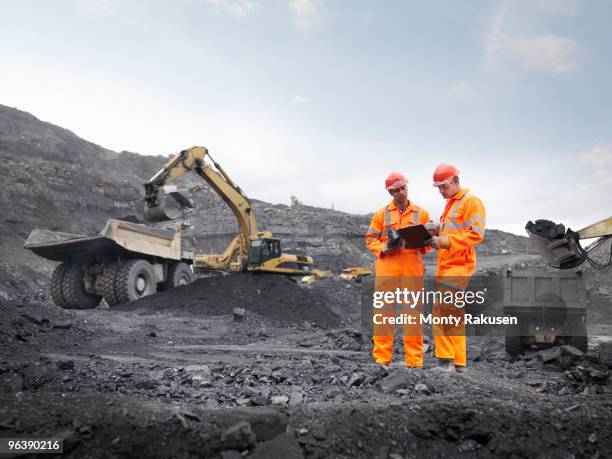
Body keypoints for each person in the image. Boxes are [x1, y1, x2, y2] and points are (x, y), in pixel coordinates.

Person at [365, 172, 430, 367]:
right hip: (387, 270)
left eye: (403, 188)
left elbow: (427, 246)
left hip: (412, 270)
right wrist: (385, 247)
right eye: (396, 190)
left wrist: (422, 240)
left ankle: (414, 362)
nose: (401, 192)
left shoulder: (422, 214)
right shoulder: (381, 215)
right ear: (390, 192)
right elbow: (370, 239)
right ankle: (382, 359)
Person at [427, 163, 486, 372]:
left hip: (459, 264)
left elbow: (476, 234)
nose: (441, 191)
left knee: (443, 310)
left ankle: (446, 362)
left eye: (444, 187)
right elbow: (452, 231)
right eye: (438, 188)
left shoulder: (470, 202)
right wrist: (435, 232)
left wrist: (445, 241)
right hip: (446, 265)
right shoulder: (451, 205)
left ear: (455, 181)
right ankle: (459, 363)